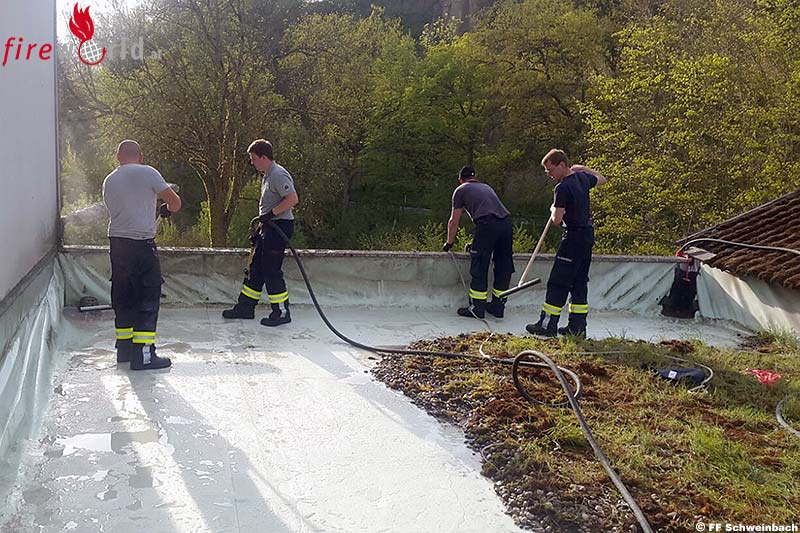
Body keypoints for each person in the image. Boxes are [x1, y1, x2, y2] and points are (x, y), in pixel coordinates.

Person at [103, 140, 181, 370]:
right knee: (147, 296)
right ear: (141, 156)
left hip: (117, 244)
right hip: (142, 244)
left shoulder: (110, 180)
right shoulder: (149, 173)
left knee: (123, 296)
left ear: (118, 157)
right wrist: (166, 209)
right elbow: (175, 203)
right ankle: (144, 355)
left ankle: (125, 351)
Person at [526, 149, 607, 338]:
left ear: (562, 165)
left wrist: (553, 208)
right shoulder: (583, 178)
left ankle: (547, 325)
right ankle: (577, 327)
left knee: (558, 281)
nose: (549, 174)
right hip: (587, 236)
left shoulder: (562, 188)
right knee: (579, 282)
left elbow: (556, 219)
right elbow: (602, 179)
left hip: (572, 238)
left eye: (550, 170)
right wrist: (584, 168)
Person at [222, 139, 299, 326]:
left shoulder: (278, 174)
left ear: (264, 157)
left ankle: (281, 312)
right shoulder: (268, 175)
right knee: (255, 268)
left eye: (253, 158)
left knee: (271, 270)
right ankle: (245, 307)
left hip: (279, 227)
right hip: (269, 227)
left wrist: (271, 214)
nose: (252, 162)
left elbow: (292, 199)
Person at [443, 166, 514, 319]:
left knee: (479, 265)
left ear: (460, 180)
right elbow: (493, 218)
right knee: (503, 266)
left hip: (487, 224)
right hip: (506, 224)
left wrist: (449, 243)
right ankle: (498, 307)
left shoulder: (461, 190)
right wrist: (475, 244)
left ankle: (477, 308)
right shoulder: (486, 187)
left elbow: (453, 221)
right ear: (475, 178)